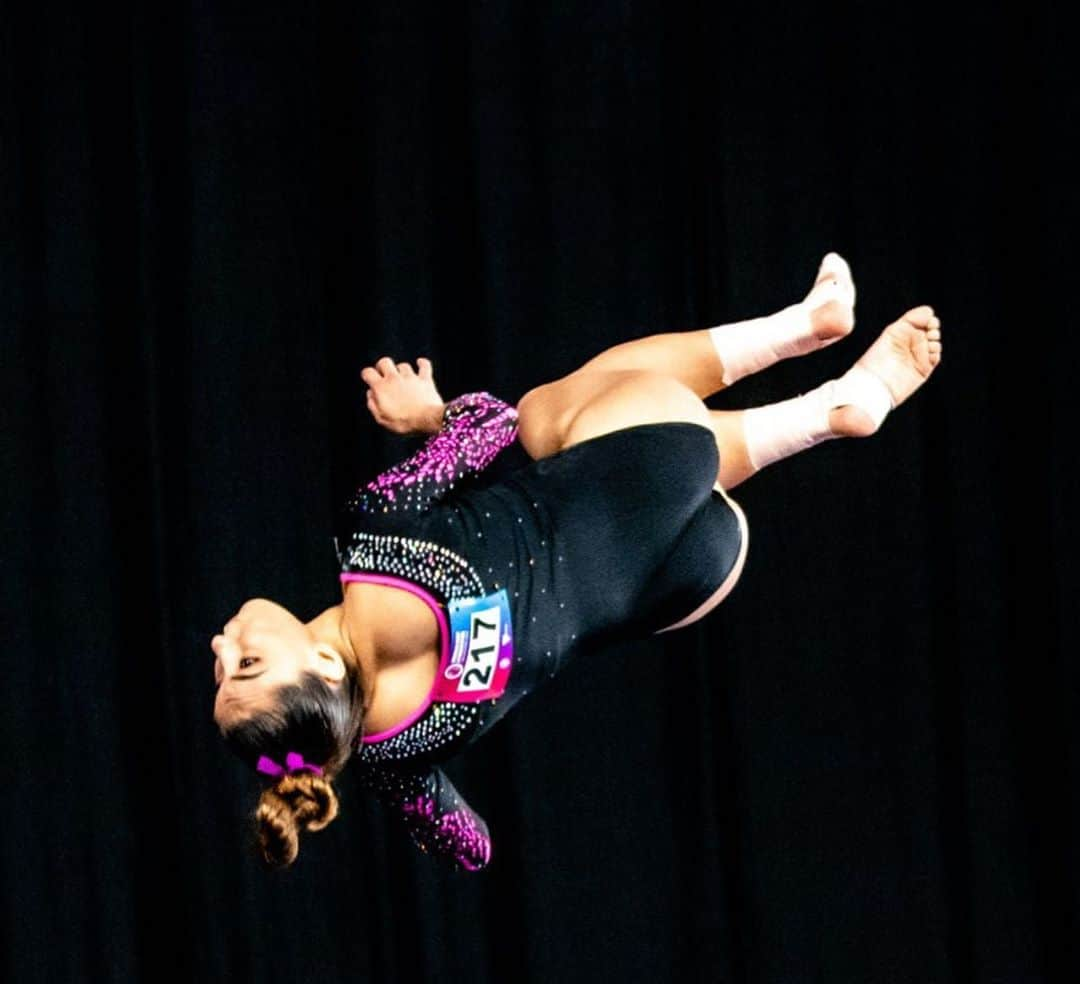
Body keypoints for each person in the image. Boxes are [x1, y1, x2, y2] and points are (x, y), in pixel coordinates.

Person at [210, 253, 942, 870]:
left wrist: (378, 782)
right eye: (244, 665)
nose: (223, 644)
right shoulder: (371, 543)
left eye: (223, 663)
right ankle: (804, 328)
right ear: (325, 668)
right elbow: (486, 425)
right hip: (655, 459)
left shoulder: (392, 762)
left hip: (689, 576)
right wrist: (427, 414)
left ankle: (834, 410)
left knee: (605, 493)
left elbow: (473, 848)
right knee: (538, 417)